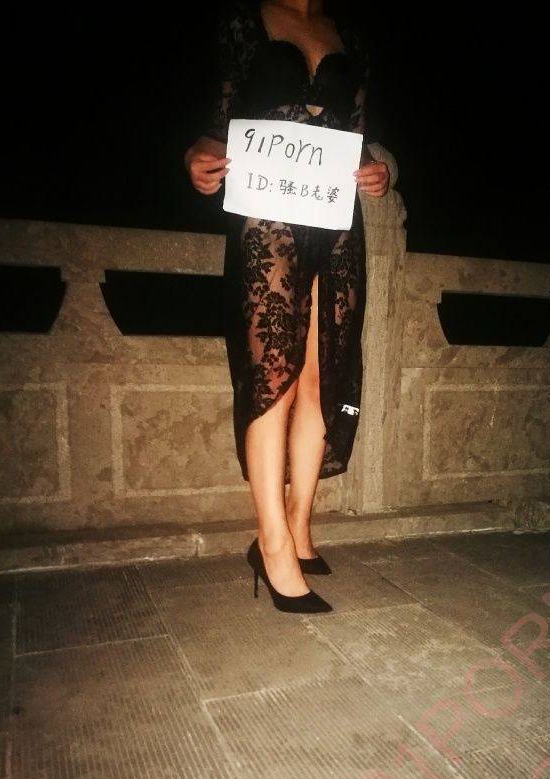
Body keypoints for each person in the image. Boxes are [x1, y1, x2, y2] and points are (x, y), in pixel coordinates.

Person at [184, 0, 389, 613]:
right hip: (267, 213)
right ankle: (270, 544)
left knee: (325, 374)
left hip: (335, 217)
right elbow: (215, 126)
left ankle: (298, 525)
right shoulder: (245, 20)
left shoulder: (348, 28)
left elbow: (359, 137)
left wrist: (377, 172)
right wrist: (197, 161)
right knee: (273, 375)